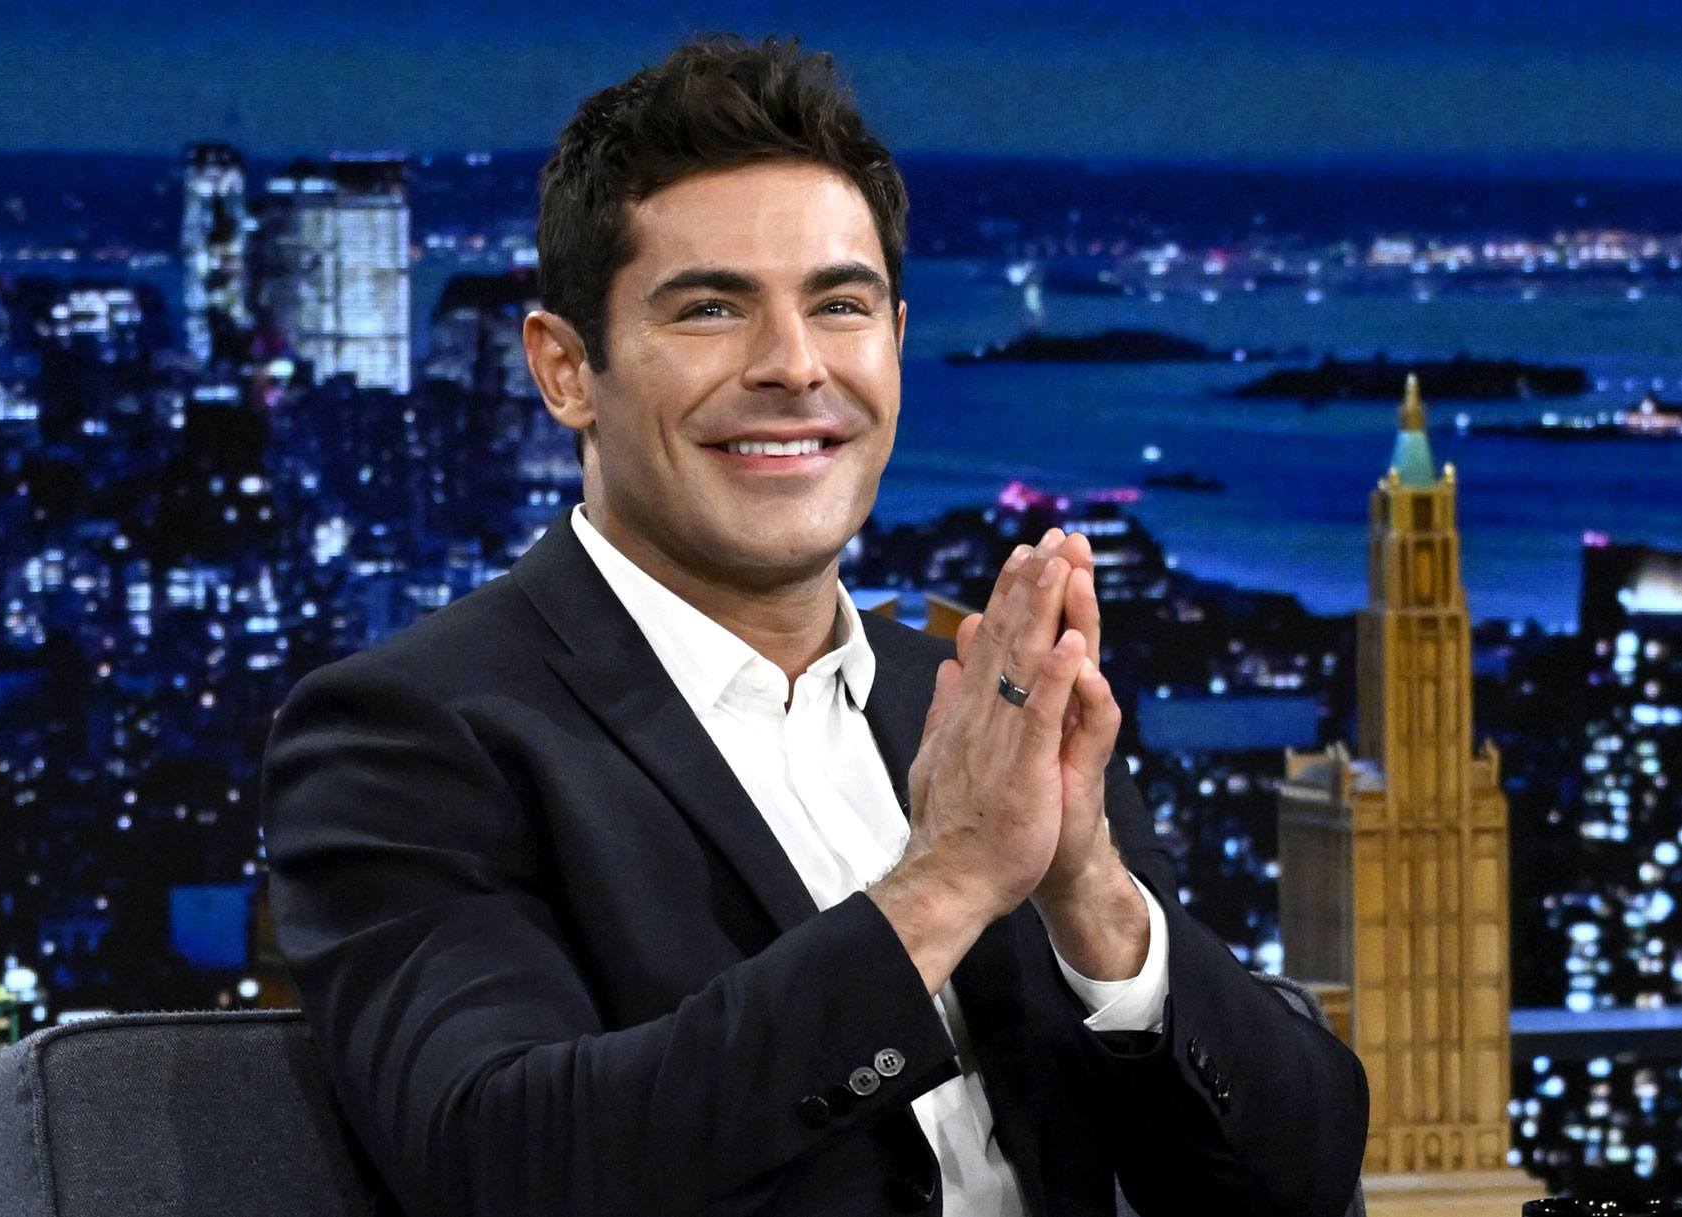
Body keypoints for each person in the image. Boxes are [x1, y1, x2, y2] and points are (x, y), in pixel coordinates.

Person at [261, 35, 1368, 1217]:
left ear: (895, 340)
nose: (793, 366)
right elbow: (506, 1162)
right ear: (567, 369)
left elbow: (1303, 1183)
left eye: (839, 305)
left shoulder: (978, 707)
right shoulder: (408, 734)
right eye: (710, 309)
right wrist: (947, 880)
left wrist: (1091, 893)